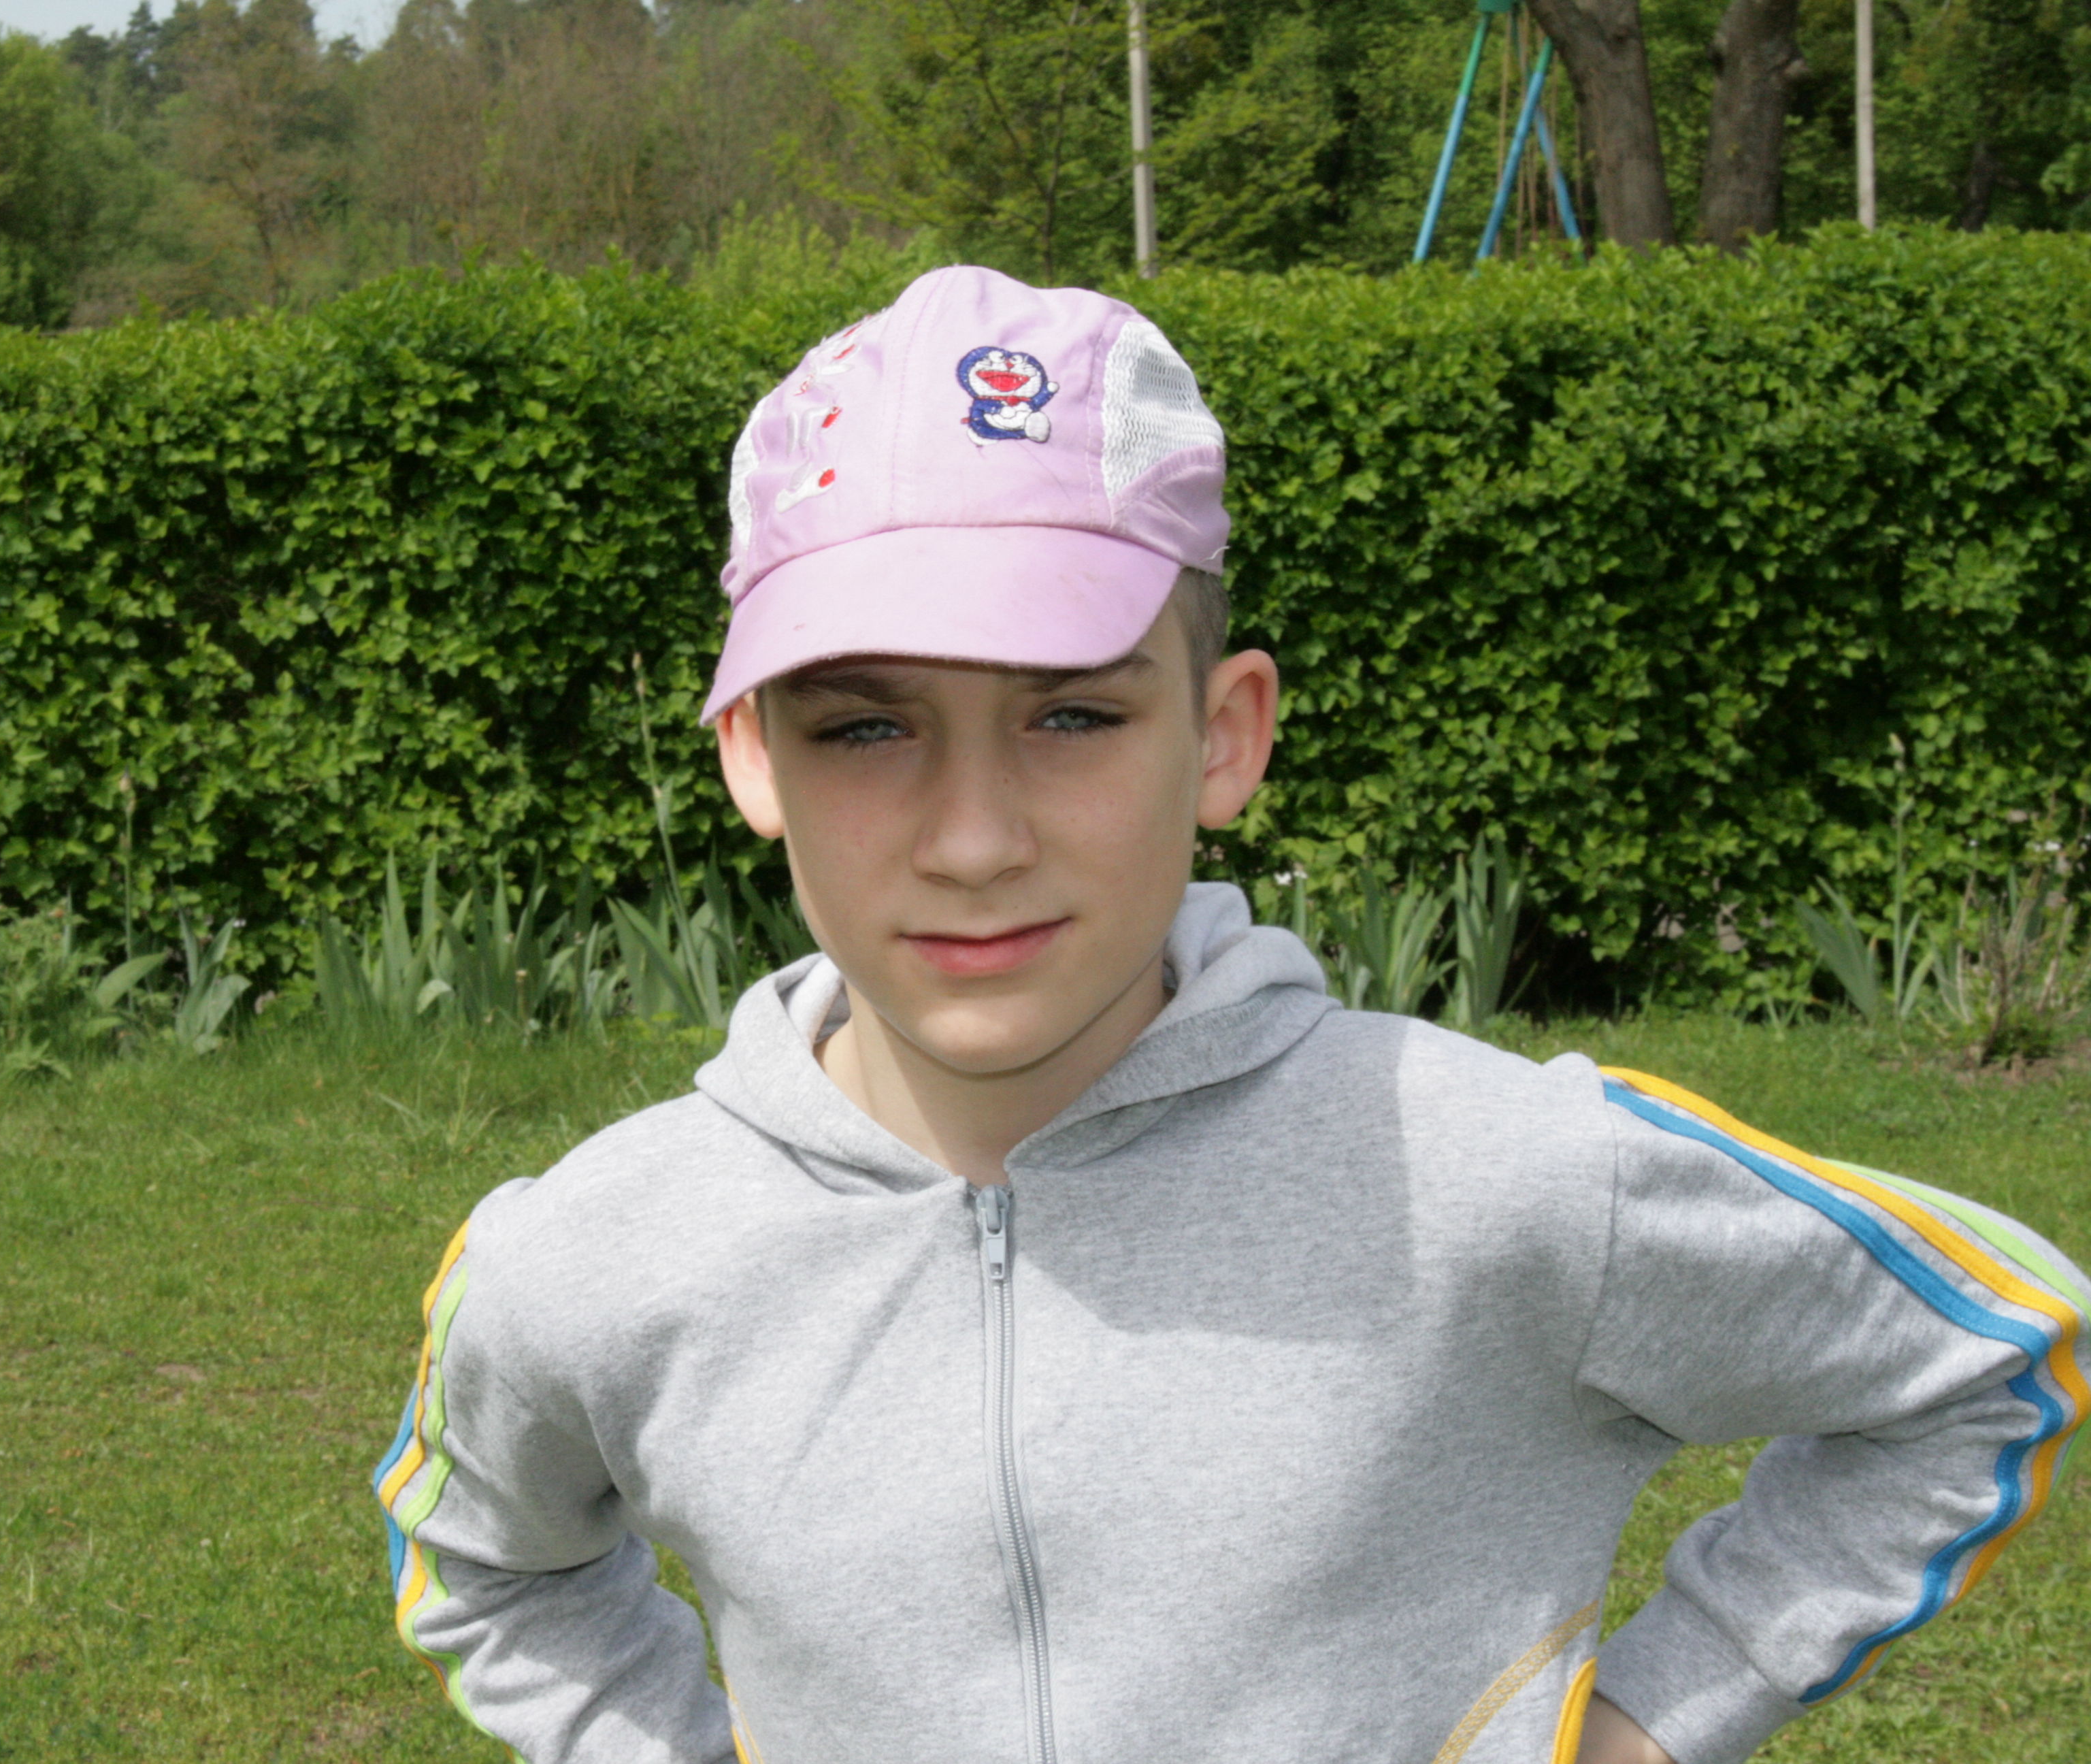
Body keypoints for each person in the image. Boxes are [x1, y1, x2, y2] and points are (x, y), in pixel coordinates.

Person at [371, 265, 2086, 1764]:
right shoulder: (596, 1256)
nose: (972, 840)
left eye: (1071, 718)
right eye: (864, 727)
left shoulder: (1501, 1173)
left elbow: (1993, 1351)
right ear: (751, 754)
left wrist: (1645, 1728)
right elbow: (483, 1559)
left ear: (1224, 733)